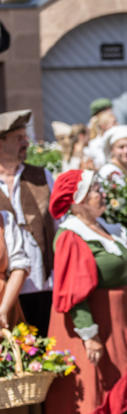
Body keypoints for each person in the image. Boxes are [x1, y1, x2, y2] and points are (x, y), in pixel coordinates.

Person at [44, 169, 127, 414]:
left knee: (115, 379)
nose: (102, 193)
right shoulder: (72, 235)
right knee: (90, 385)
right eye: (94, 190)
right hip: (86, 325)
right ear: (76, 201)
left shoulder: (103, 228)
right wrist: (89, 335)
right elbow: (73, 292)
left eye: (100, 188)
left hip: (116, 323)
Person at [0, 110, 57, 336]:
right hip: (7, 290)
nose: (26, 143)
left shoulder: (42, 176)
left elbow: (59, 226)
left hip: (41, 282)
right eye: (18, 138)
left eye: (25, 137)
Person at [0, 207, 43, 414]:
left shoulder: (4, 219)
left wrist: (3, 309)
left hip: (4, 306)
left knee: (6, 384)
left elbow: (20, 264)